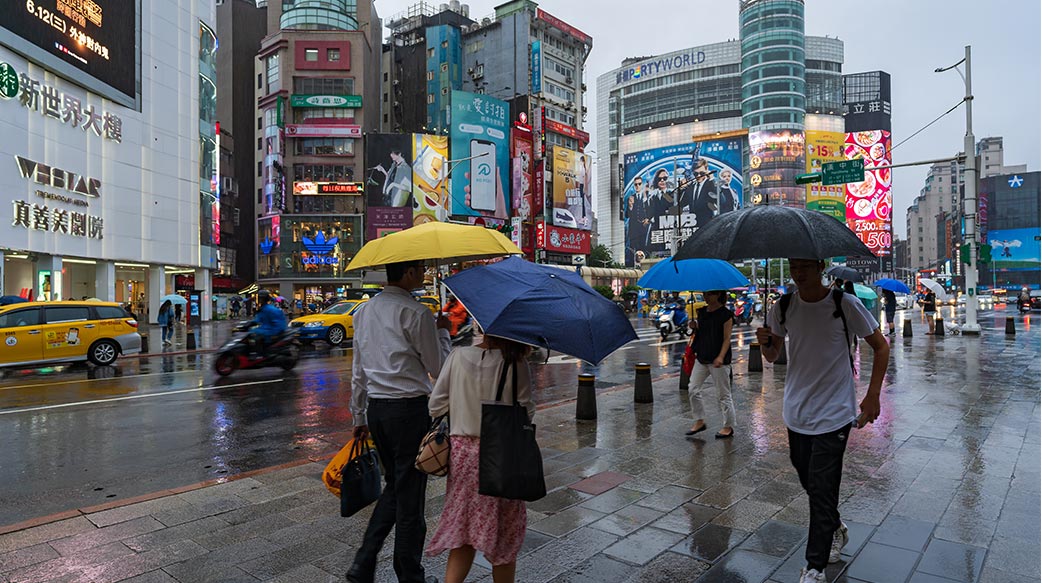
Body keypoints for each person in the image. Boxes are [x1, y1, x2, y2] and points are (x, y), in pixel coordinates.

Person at [755, 258, 889, 583]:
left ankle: (814, 567)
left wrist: (872, 396)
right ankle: (834, 525)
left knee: (823, 486)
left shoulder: (845, 304)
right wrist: (767, 344)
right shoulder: (783, 306)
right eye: (793, 266)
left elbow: (880, 347)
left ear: (820, 267)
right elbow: (772, 358)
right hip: (796, 412)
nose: (798, 273)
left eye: (805, 266)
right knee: (810, 482)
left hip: (835, 413)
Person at [347, 260, 452, 583]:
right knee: (410, 500)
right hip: (409, 411)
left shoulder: (363, 312)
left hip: (378, 410)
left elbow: (358, 369)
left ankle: (363, 563)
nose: (424, 274)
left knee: (396, 486)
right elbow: (437, 365)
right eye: (420, 269)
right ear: (407, 273)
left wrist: (359, 414)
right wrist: (444, 332)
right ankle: (409, 574)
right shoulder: (416, 313)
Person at [426, 335, 534, 583]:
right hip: (504, 454)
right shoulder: (516, 362)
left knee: (463, 531)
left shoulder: (458, 356)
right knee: (505, 537)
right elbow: (526, 412)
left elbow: (435, 406)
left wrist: (463, 402)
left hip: (463, 454)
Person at [681, 290, 736, 439]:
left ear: (718, 295)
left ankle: (728, 426)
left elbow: (726, 339)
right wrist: (694, 326)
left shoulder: (726, 315)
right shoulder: (702, 311)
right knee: (692, 388)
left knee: (723, 394)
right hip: (702, 356)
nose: (707, 297)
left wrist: (720, 356)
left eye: (710, 294)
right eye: (705, 294)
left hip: (719, 360)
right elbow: (702, 331)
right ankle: (699, 420)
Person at [249, 290, 287, 355]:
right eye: (259, 298)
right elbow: (258, 320)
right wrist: (249, 324)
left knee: (254, 335)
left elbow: (279, 325)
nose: (260, 300)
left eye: (261, 298)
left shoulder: (271, 309)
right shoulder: (262, 309)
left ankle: (261, 354)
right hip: (265, 328)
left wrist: (274, 333)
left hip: (272, 331)